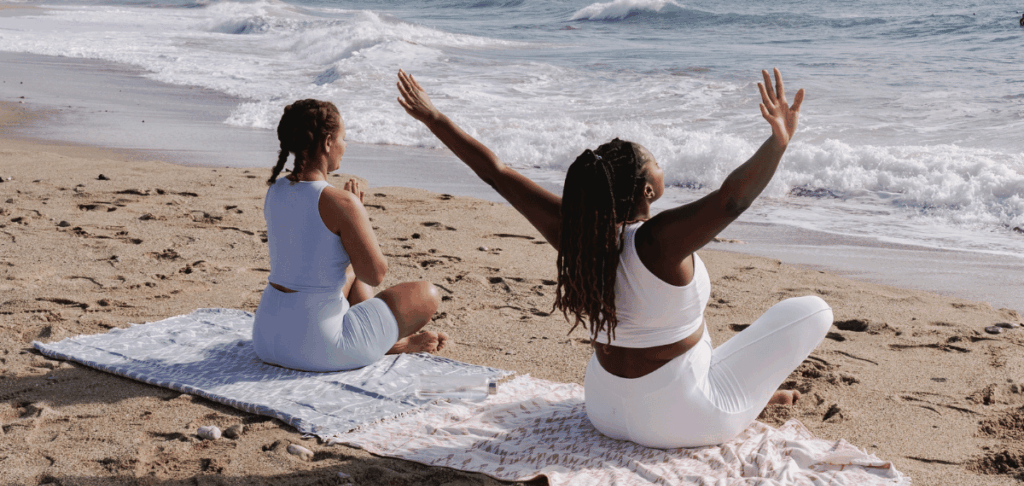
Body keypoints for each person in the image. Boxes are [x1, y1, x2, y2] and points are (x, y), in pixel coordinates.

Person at [396, 68, 833, 448]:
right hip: (680, 415)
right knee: (813, 310)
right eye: (655, 163)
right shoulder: (658, 241)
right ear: (647, 191)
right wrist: (777, 143)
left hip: (603, 407)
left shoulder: (576, 234)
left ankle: (746, 396)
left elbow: (496, 173)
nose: (662, 168)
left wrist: (434, 117)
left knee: (695, 342)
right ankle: (740, 401)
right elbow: (730, 201)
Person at [252, 99, 448, 372]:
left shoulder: (276, 190)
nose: (346, 146)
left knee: (348, 276)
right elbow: (375, 274)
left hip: (266, 338)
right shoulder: (341, 202)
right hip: (318, 349)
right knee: (427, 294)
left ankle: (380, 341)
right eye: (344, 138)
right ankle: (391, 344)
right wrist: (356, 219)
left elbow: (312, 260)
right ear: (328, 142)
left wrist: (348, 226)